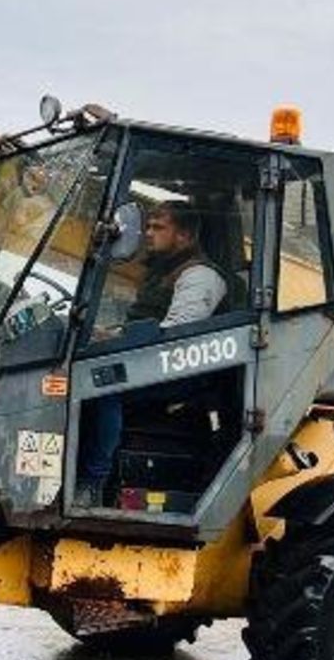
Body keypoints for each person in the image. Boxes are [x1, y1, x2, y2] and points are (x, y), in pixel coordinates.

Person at [77, 199, 228, 504]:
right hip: (152, 359)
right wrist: (111, 334)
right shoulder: (162, 273)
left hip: (185, 370)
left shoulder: (200, 276)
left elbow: (177, 334)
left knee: (104, 386)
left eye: (158, 227)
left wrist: (122, 340)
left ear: (184, 235)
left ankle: (91, 484)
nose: (147, 233)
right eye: (147, 226)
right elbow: (148, 322)